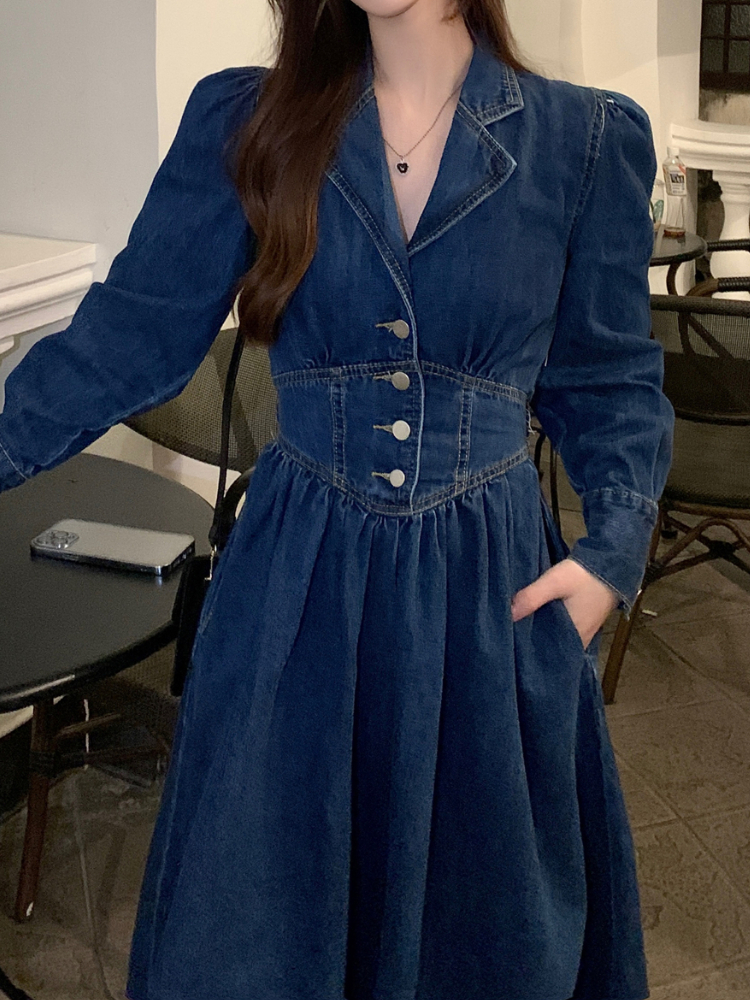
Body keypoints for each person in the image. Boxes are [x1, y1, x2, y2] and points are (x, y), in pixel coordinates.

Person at [0, 0, 674, 997]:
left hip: (487, 608)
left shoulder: (585, 141)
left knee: (482, 939)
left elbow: (609, 381)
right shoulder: (249, 120)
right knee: (258, 933)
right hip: (295, 597)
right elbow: (126, 337)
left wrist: (609, 556)